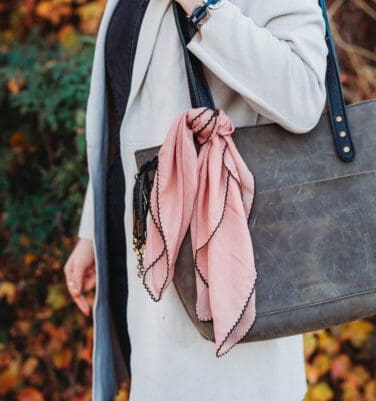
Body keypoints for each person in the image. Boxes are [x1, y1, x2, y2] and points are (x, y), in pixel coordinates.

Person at [62, 0, 328, 399]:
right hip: (146, 275)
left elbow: (303, 97)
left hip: (221, 278)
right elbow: (128, 118)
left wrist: (203, 8)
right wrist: (93, 232)